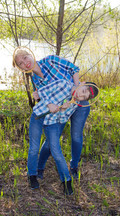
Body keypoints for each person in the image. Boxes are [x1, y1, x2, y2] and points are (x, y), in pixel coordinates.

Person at [13, 49, 95, 195]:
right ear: (21, 69)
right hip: (46, 116)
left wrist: (77, 91)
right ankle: (35, 172)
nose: (25, 63)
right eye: (21, 63)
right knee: (40, 146)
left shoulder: (51, 60)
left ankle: (71, 172)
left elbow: (73, 68)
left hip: (76, 101)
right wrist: (47, 102)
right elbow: (41, 96)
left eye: (26, 57)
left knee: (73, 138)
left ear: (32, 54)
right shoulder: (35, 79)